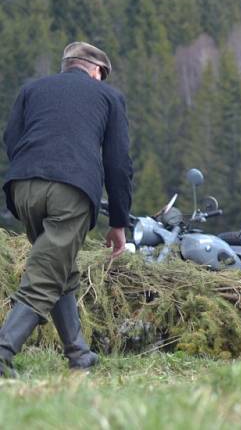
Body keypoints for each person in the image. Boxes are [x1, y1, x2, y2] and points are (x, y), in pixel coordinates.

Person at [0, 42, 133, 377]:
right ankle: (2, 352)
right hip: (70, 191)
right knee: (44, 278)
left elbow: (11, 137)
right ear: (97, 71)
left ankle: (79, 354)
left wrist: (34, 170)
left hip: (22, 188)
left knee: (59, 269)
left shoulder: (33, 89)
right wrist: (118, 221)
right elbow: (118, 165)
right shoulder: (108, 97)